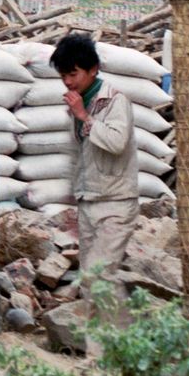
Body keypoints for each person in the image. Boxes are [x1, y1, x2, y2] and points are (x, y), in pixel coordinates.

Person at [50, 31, 138, 286]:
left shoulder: (114, 101)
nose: (67, 82)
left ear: (93, 69)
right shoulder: (78, 105)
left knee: (99, 277)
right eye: (63, 76)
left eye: (73, 74)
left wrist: (85, 117)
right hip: (88, 202)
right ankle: (98, 326)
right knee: (90, 281)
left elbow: (116, 143)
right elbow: (78, 155)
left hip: (116, 203)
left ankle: (123, 326)